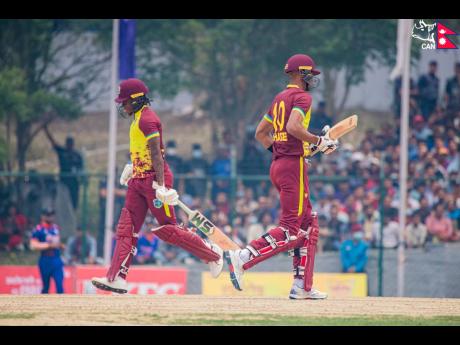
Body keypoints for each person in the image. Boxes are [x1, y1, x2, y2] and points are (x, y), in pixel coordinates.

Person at [91, 78, 223, 294]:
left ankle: (212, 253)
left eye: (125, 102)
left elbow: (157, 155)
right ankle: (117, 278)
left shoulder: (147, 120)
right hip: (139, 180)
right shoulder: (137, 118)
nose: (122, 106)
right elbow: (142, 150)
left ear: (136, 100)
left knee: (168, 229)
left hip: (153, 180)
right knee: (126, 228)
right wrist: (132, 167)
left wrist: (161, 186)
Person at [226, 54, 338, 299]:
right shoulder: (302, 97)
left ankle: (302, 286)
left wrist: (290, 150)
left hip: (280, 164)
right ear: (302, 74)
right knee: (289, 228)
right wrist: (319, 141)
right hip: (291, 167)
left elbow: (261, 133)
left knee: (309, 224)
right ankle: (243, 256)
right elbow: (294, 128)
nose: (313, 80)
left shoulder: (279, 98)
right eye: (311, 75)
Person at [44, 126, 84, 209]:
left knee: (73, 203)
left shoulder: (77, 155)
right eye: (68, 142)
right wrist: (46, 130)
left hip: (74, 182)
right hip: (64, 182)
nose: (69, 144)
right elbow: (53, 142)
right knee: (63, 202)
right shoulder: (62, 152)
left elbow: (81, 169)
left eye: (71, 142)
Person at [29, 208, 65, 294]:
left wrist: (61, 245)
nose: (50, 217)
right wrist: (48, 245)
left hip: (56, 259)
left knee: (60, 286)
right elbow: (33, 245)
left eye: (52, 215)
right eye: (48, 215)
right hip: (45, 260)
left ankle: (62, 306)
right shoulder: (38, 229)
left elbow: (58, 242)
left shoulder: (56, 228)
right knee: (46, 287)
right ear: (43, 216)